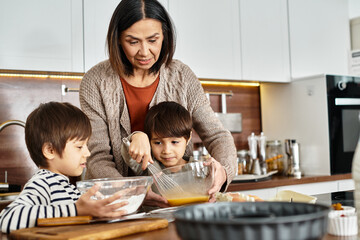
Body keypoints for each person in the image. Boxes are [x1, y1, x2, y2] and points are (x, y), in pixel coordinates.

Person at [79, 0, 237, 206]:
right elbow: (98, 157)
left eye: (153, 40)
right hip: (115, 206)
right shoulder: (95, 82)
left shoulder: (182, 77)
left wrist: (223, 171)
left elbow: (217, 136)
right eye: (133, 41)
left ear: (165, 36)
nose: (144, 52)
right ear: (117, 39)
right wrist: (132, 193)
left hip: (177, 204)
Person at [0, 102, 128, 233]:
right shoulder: (43, 183)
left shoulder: (68, 187)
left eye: (86, 145)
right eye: (79, 147)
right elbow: (7, 219)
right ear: (50, 150)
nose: (88, 153)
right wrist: (75, 210)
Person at [121, 101, 195, 175]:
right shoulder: (147, 165)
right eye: (158, 143)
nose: (167, 151)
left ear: (188, 138)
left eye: (174, 142)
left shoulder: (198, 168)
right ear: (149, 142)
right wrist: (138, 136)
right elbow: (129, 151)